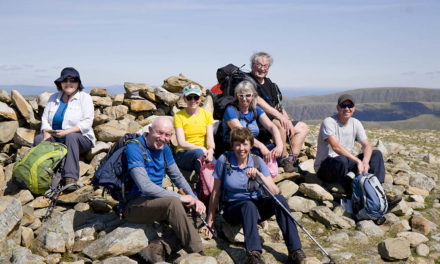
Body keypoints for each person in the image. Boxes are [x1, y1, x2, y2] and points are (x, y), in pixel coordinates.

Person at [204, 127, 306, 264]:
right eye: (237, 144)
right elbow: (215, 192)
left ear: (251, 145)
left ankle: (295, 250)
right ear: (232, 145)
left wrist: (259, 175)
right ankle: (254, 254)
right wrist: (210, 220)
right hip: (233, 208)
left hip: (256, 206)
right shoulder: (224, 160)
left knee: (279, 200)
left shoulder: (257, 161)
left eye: (245, 144)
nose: (241, 148)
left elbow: (275, 191)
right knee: (248, 205)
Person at [124, 116, 206, 263]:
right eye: (159, 133)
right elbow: (144, 186)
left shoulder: (164, 150)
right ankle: (198, 253)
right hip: (134, 205)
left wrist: (195, 199)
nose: (163, 138)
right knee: (173, 203)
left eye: (167, 135)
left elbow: (178, 177)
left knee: (199, 211)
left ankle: (158, 247)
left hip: (156, 203)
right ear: (149, 130)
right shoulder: (134, 147)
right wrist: (180, 197)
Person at [314, 94, 401, 205]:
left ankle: (378, 191)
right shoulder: (329, 122)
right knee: (342, 160)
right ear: (337, 107)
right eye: (343, 106)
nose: (347, 108)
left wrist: (365, 161)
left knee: (376, 154)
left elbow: (367, 145)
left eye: (350, 105)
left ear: (354, 108)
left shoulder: (355, 123)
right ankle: (354, 196)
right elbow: (335, 147)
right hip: (326, 168)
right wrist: (358, 161)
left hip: (345, 164)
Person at [34, 67, 95, 192]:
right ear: (60, 83)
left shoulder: (85, 98)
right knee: (39, 139)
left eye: (72, 80)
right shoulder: (53, 98)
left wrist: (67, 132)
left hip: (80, 138)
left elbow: (87, 123)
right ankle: (41, 176)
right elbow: (45, 118)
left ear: (78, 83)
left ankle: (70, 179)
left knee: (71, 137)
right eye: (65, 80)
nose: (69, 83)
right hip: (56, 137)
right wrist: (46, 132)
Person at [248, 52, 309, 172]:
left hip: (275, 119)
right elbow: (258, 101)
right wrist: (281, 119)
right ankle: (283, 159)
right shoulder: (247, 80)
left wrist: (288, 121)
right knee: (280, 124)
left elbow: (279, 106)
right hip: (259, 122)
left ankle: (292, 160)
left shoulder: (270, 84)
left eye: (266, 66)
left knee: (302, 127)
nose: (262, 69)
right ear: (252, 65)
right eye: (259, 65)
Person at [221, 80, 283, 164]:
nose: (244, 99)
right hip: (236, 148)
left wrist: (279, 146)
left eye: (248, 95)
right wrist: (262, 147)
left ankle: (263, 164)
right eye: (241, 95)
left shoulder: (255, 110)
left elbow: (272, 127)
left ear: (253, 96)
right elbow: (242, 135)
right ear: (236, 96)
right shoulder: (231, 110)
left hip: (252, 147)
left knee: (276, 151)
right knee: (260, 156)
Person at [174, 84, 215, 174]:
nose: (193, 101)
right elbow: (182, 143)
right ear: (184, 99)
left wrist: (211, 150)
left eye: (196, 97)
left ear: (200, 98)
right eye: (189, 98)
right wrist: (201, 148)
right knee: (199, 154)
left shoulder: (207, 115)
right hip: (184, 154)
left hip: (203, 153)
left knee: (215, 164)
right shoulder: (179, 116)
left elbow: (210, 140)